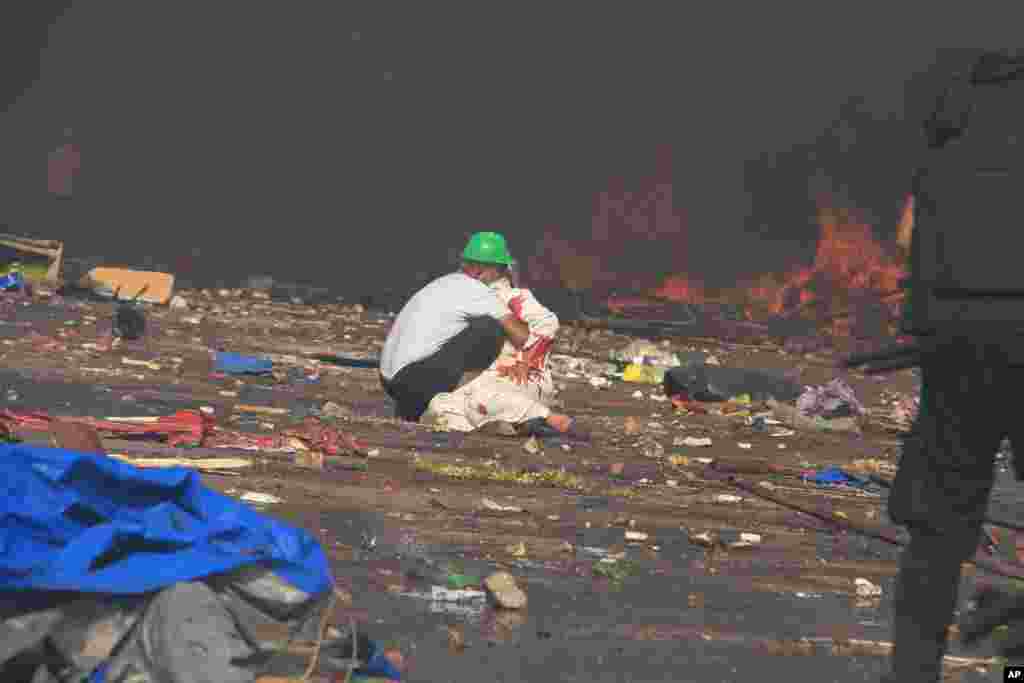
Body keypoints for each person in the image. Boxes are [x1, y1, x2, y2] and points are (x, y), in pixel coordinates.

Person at [877, 49, 1024, 683]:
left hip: (955, 344)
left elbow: (909, 235)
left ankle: (912, 674)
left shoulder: (958, 106)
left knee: (937, 528)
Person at [379, 231, 574, 435]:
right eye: (501, 271)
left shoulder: (446, 283)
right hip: (412, 379)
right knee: (489, 330)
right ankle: (543, 416)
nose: (504, 276)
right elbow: (522, 336)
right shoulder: (481, 293)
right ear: (482, 272)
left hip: (390, 379)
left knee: (441, 407)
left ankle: (431, 410)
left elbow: (543, 328)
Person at [423, 255, 575, 435]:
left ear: (487, 270)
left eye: (471, 267)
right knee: (439, 403)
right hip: (490, 379)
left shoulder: (513, 297)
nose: (465, 273)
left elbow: (548, 323)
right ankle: (491, 429)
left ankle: (548, 418)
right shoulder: (472, 300)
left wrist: (526, 360)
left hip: (523, 379)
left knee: (482, 398)